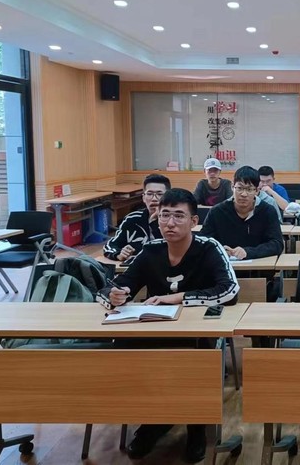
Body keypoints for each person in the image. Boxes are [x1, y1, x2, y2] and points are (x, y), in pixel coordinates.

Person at [97, 188, 240, 463]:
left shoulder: (209, 247)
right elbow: (114, 287)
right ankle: (153, 421)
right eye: (164, 215)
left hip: (197, 333)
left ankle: (196, 428)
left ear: (194, 221)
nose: (170, 223)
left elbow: (230, 290)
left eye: (178, 216)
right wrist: (114, 295)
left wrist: (180, 297)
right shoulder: (151, 250)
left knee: (195, 355)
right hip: (155, 330)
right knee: (124, 347)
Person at [202, 165, 284, 260]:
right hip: (223, 265)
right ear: (232, 187)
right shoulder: (217, 212)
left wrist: (248, 252)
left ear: (257, 190)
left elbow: (277, 244)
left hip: (259, 266)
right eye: (239, 188)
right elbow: (204, 240)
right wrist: (220, 251)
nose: (244, 194)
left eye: (249, 189)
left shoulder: (267, 211)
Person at [103, 173, 170, 262]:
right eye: (149, 194)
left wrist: (155, 221)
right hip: (136, 267)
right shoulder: (132, 219)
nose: (154, 198)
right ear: (143, 198)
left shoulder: (173, 221)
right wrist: (119, 254)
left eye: (159, 194)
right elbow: (111, 245)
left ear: (168, 197)